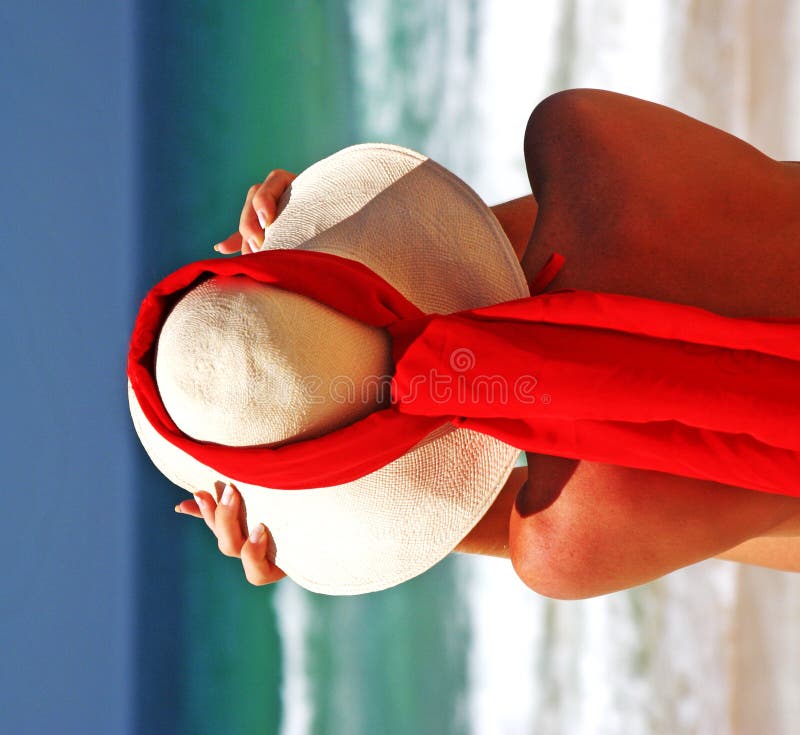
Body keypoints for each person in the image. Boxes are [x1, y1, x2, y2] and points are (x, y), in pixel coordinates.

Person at [171, 88, 800, 598]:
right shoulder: (585, 140)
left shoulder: (570, 534)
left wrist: (302, 529)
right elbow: (497, 269)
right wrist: (333, 236)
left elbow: (779, 522)